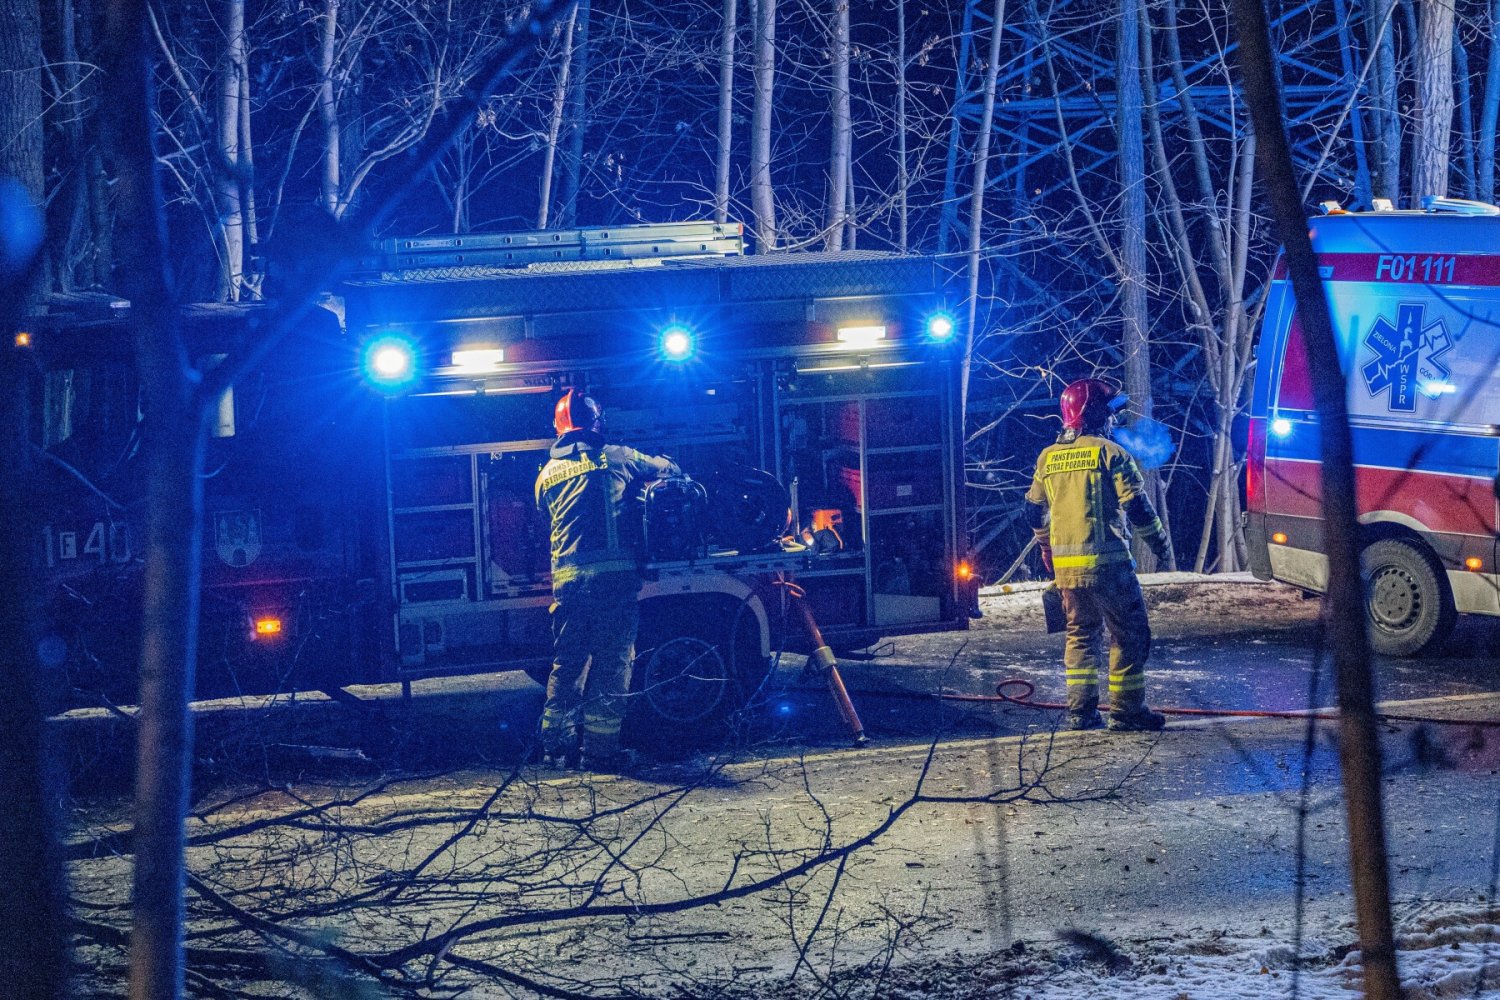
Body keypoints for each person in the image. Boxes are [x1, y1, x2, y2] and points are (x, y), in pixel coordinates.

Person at [534, 389, 679, 770]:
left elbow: (545, 516)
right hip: (613, 583)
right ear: (598, 424)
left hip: (567, 585)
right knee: (612, 665)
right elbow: (666, 471)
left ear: (560, 429)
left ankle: (554, 747)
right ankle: (599, 753)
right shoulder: (618, 457)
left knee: (567, 666)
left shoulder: (546, 475)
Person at [1025, 378, 1172, 732]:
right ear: (1094, 414)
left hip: (1068, 573)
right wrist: (1160, 544)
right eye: (1109, 413)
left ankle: (1081, 713)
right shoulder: (1110, 453)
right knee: (1129, 633)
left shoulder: (1047, 457)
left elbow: (1032, 512)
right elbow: (1136, 505)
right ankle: (1126, 713)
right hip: (1110, 568)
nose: (1112, 420)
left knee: (1081, 636)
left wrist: (1047, 549)